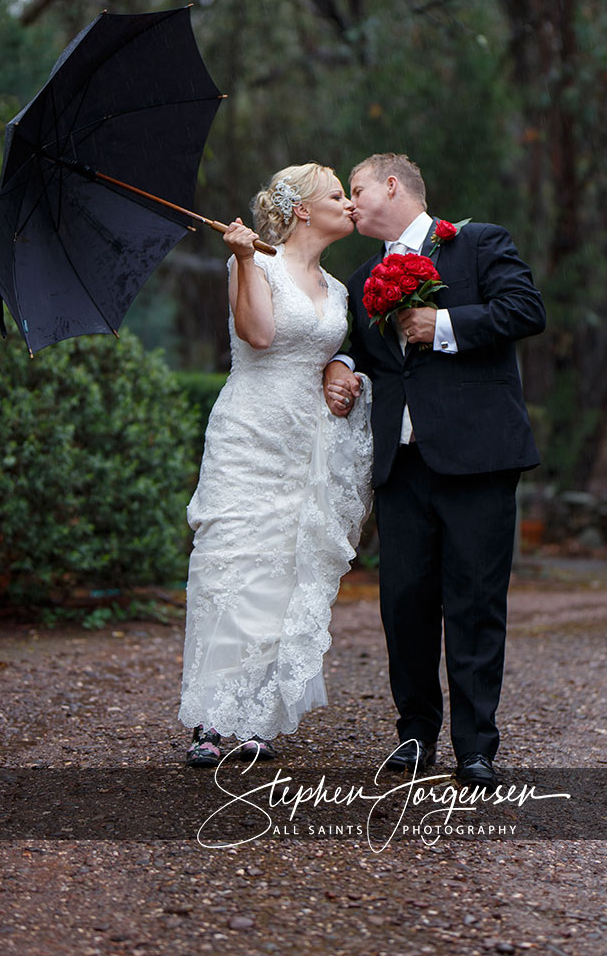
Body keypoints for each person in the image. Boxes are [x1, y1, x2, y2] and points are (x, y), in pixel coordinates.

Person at [324, 153, 545, 789]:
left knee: (476, 603)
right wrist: (341, 365)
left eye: (357, 189)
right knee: (405, 605)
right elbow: (364, 355)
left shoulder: (478, 244)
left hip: (478, 458)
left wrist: (441, 322)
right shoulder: (365, 276)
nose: (350, 202)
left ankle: (476, 748)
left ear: (392, 186)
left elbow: (525, 309)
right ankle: (415, 736)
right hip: (402, 465)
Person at [180, 163, 372, 767]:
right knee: (231, 559)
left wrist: (343, 373)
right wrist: (240, 260)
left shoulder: (339, 289)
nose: (349, 204)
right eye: (338, 195)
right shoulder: (257, 264)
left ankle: (258, 713)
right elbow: (258, 335)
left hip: (306, 441)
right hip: (249, 432)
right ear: (303, 211)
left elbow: (327, 349)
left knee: (285, 568)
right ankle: (211, 718)